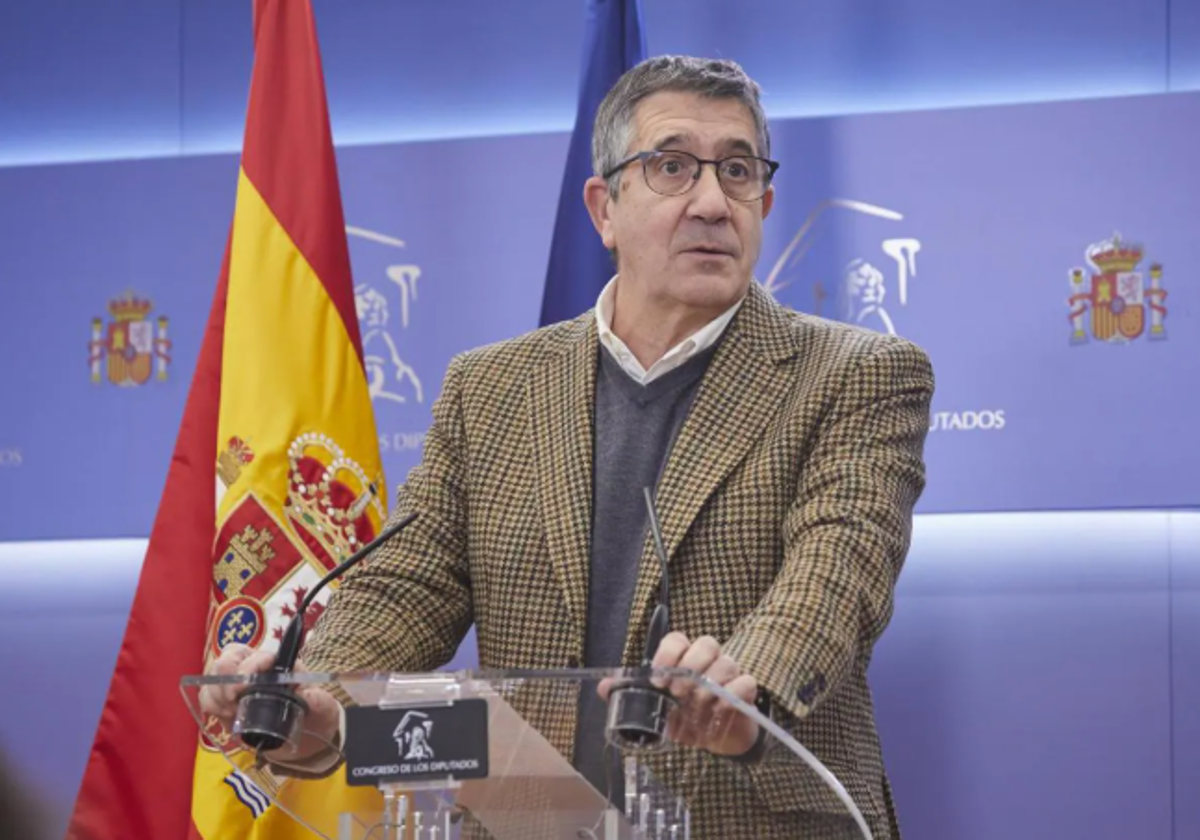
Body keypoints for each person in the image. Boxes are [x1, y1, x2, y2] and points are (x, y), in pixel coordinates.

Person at [203, 55, 934, 839]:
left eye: (739, 170)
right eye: (673, 167)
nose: (714, 202)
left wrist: (742, 683)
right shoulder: (490, 388)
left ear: (766, 198)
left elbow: (837, 574)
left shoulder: (859, 373)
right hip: (532, 820)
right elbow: (408, 586)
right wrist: (316, 695)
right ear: (604, 208)